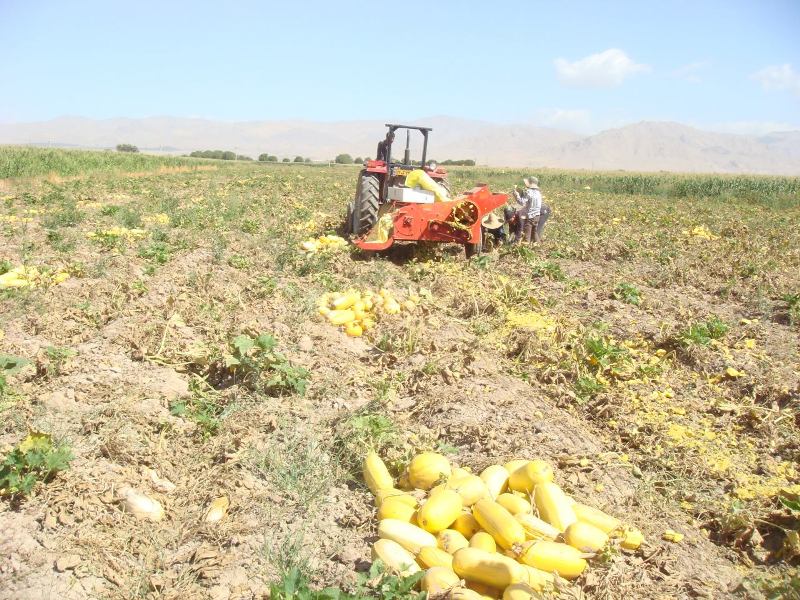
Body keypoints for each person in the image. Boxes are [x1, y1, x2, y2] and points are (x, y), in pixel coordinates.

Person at [512, 176, 545, 243]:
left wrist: (516, 195)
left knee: (527, 234)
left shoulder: (529, 192)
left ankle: (526, 248)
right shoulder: (538, 193)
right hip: (537, 216)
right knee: (534, 232)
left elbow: (522, 203)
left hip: (530, 216)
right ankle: (538, 245)